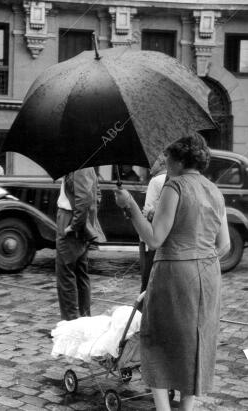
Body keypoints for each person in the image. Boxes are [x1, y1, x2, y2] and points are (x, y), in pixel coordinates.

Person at [115, 133, 230, 411]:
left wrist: (130, 206)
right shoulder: (215, 190)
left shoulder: (174, 186)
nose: (165, 164)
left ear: (179, 160)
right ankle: (186, 409)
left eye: (167, 158)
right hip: (208, 274)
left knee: (158, 340)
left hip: (174, 274)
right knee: (194, 341)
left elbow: (154, 239)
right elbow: (224, 245)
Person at [56, 167, 105, 321]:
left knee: (66, 274)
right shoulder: (85, 164)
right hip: (74, 218)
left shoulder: (80, 166)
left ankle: (71, 322)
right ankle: (84, 319)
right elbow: (96, 194)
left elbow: (86, 198)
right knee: (79, 272)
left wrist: (75, 224)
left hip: (70, 218)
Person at [139, 154, 167, 294]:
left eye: (153, 161)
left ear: (161, 163)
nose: (150, 165)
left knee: (147, 281)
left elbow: (147, 212)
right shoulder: (174, 179)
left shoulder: (156, 181)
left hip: (152, 237)